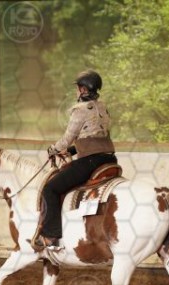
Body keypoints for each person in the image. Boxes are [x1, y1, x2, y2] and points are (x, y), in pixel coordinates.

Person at [34, 69, 117, 251]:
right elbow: (96, 135)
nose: (76, 91)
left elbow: (67, 138)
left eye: (78, 87)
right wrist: (72, 150)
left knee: (50, 189)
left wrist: (54, 149)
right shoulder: (103, 106)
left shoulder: (79, 110)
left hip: (90, 162)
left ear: (84, 90)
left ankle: (51, 235)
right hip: (109, 158)